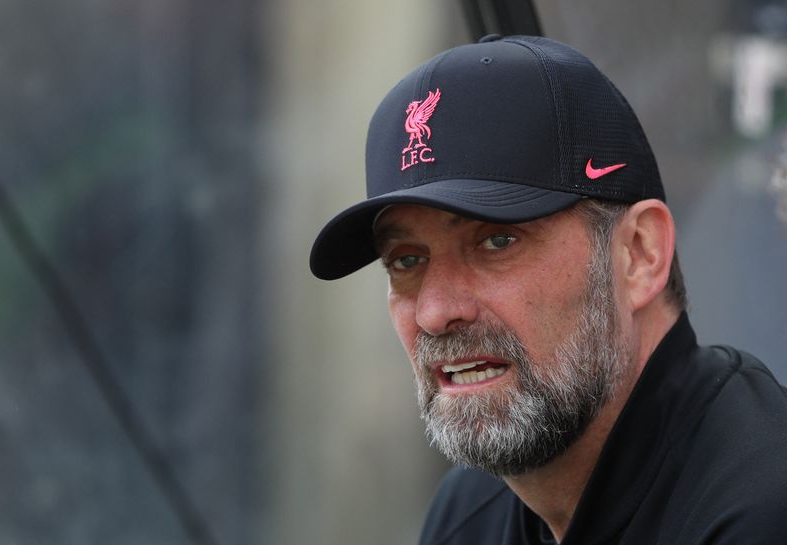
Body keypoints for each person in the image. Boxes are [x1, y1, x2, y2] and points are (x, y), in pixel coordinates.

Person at [309, 35, 787, 545]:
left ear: (639, 255)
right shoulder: (470, 512)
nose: (434, 312)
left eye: (496, 240)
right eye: (406, 260)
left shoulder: (762, 509)